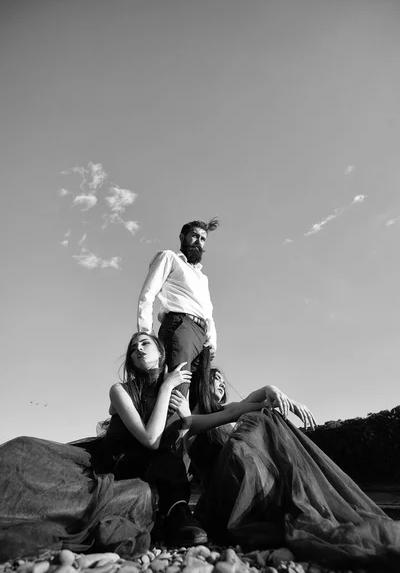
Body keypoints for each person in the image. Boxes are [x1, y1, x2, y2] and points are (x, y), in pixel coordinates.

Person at [0, 333, 269, 561]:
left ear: (161, 353)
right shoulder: (119, 390)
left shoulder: (175, 396)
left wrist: (266, 401)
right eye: (133, 348)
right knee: (22, 454)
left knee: (171, 449)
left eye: (144, 344)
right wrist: (167, 389)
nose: (137, 349)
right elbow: (149, 438)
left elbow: (216, 416)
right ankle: (174, 511)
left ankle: (177, 511)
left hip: (154, 472)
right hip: (114, 465)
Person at [169, 364, 400, 571]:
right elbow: (232, 413)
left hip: (250, 488)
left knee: (261, 416)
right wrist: (262, 405)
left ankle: (293, 499)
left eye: (221, 379)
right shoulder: (189, 417)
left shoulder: (228, 411)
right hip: (221, 500)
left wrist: (276, 394)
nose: (220, 383)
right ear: (201, 383)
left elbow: (253, 398)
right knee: (255, 418)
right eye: (214, 378)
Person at [137, 218, 219, 404]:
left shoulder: (202, 277)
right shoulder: (169, 257)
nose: (198, 242)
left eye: (203, 239)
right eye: (194, 236)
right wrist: (146, 334)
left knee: (200, 400)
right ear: (183, 237)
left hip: (202, 337)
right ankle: (161, 432)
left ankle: (189, 433)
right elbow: (148, 294)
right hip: (180, 327)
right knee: (176, 393)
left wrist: (212, 341)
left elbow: (208, 312)